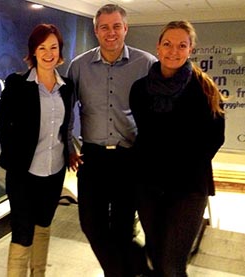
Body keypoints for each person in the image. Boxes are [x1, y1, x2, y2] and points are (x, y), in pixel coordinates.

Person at [67, 4, 157, 277]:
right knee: (91, 226)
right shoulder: (78, 66)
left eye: (116, 26)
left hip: (129, 158)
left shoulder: (147, 64)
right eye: (104, 27)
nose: (111, 32)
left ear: (126, 28)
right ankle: (131, 270)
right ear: (95, 30)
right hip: (92, 158)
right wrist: (69, 146)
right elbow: (65, 109)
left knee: (121, 228)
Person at [129, 20, 225, 276]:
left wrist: (180, 164)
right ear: (158, 47)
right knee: (155, 254)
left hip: (188, 188)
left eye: (181, 45)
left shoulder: (205, 89)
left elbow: (215, 139)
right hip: (149, 185)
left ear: (190, 49)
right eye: (168, 44)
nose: (174, 51)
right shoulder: (140, 89)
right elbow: (145, 135)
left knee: (172, 264)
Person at [0, 23, 73, 277]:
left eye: (53, 47)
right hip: (23, 175)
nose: (48, 53)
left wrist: (70, 151)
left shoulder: (67, 86)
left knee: (44, 225)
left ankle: (38, 273)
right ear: (33, 51)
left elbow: (66, 127)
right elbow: (3, 125)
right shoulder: (18, 84)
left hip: (54, 173)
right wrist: (14, 159)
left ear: (60, 51)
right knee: (22, 232)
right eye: (42, 47)